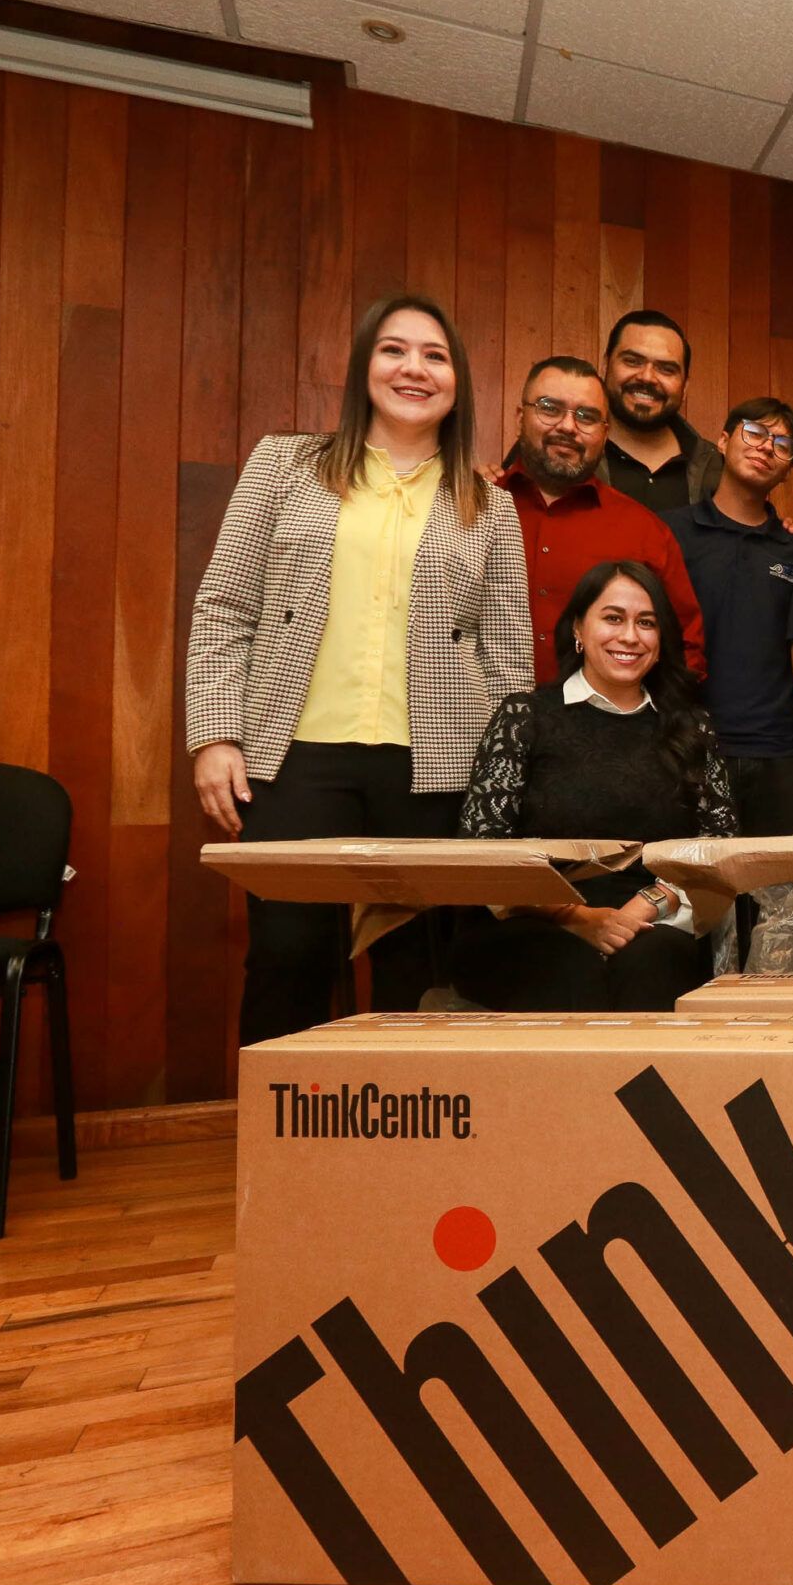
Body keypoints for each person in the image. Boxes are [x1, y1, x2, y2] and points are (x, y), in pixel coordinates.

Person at [186, 294, 530, 1043]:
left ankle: (402, 1150)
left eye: (435, 356)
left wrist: (508, 782)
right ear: (363, 368)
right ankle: (281, 1146)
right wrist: (214, 736)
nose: (414, 368)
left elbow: (508, 658)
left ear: (458, 381)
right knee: (287, 956)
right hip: (294, 760)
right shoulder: (284, 465)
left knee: (416, 968)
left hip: (437, 770)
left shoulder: (489, 505)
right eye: (394, 350)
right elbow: (224, 606)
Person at [450, 561, 733, 1009]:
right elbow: (481, 849)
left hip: (652, 921)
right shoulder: (526, 716)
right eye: (613, 618)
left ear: (661, 642)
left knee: (655, 967)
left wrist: (643, 907)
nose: (630, 637)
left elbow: (719, 847)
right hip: (529, 922)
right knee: (567, 973)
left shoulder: (690, 727)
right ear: (579, 629)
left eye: (646, 623)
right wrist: (578, 919)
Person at [663, 398, 793, 837]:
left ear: (789, 467)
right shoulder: (671, 533)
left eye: (784, 444)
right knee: (688, 897)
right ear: (723, 440)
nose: (767, 447)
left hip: (782, 754)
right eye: (754, 432)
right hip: (687, 744)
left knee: (783, 898)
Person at [496, 355, 706, 684]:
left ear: (604, 433)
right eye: (550, 408)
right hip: (473, 726)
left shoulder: (644, 531)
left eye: (587, 417)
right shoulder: (471, 508)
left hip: (602, 729)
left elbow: (685, 649)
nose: (567, 427)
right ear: (521, 417)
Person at [597, 309, 723, 514]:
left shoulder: (715, 468)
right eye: (632, 361)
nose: (647, 377)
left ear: (685, 386)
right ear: (605, 366)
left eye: (666, 369)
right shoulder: (572, 451)